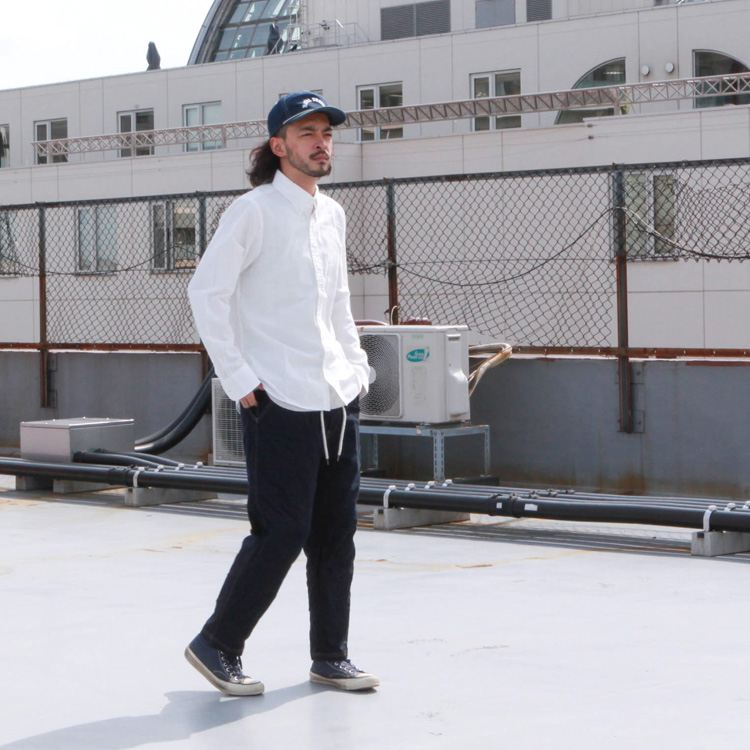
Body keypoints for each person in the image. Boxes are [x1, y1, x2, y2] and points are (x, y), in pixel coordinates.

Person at [185, 92, 378, 695]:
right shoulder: (254, 211)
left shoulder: (332, 214)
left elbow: (337, 302)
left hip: (336, 398)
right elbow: (206, 293)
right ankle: (217, 643)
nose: (321, 143)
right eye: (306, 133)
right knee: (282, 531)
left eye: (326, 133)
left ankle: (331, 657)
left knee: (336, 535)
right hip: (280, 400)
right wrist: (239, 378)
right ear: (279, 146)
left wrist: (358, 368)